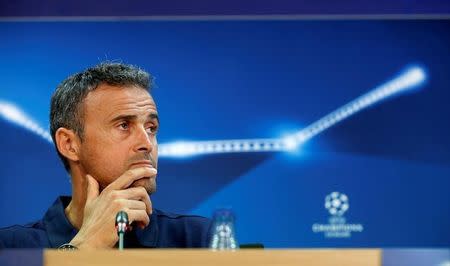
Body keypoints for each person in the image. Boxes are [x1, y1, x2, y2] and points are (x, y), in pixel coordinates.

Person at [0, 62, 212, 249]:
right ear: (69, 144)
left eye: (151, 128)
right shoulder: (10, 247)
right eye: (123, 125)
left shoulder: (197, 239)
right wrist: (85, 247)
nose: (147, 144)